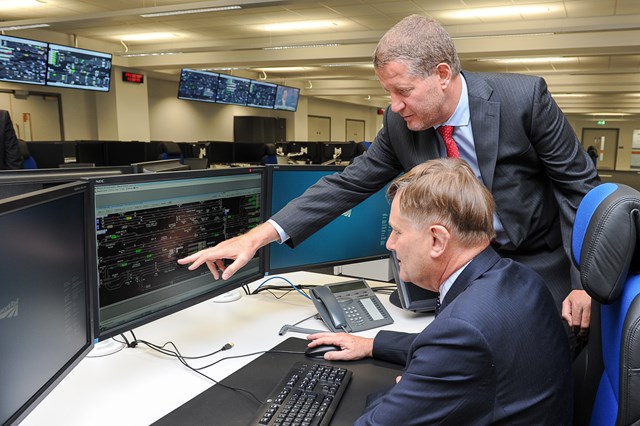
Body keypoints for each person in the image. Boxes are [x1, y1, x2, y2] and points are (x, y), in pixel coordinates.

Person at [179, 15, 600, 343]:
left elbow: (580, 189)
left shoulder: (523, 100)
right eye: (388, 93)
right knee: (456, 360)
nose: (394, 107)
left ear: (441, 74)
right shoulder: (401, 125)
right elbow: (347, 184)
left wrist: (586, 282)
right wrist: (257, 237)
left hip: (539, 258)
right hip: (460, 268)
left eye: (403, 92)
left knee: (541, 354)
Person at [310, 158, 572, 424]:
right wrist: (373, 344)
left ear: (437, 240)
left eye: (397, 231)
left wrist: (403, 389)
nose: (390, 243)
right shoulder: (521, 278)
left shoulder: (462, 331)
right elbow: (461, 345)